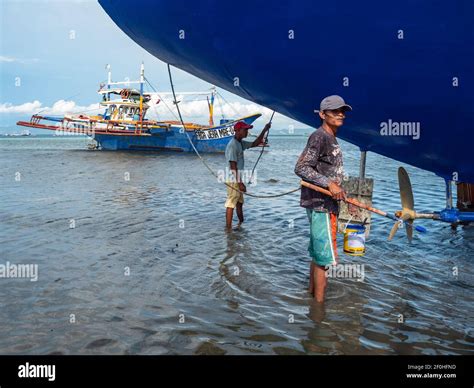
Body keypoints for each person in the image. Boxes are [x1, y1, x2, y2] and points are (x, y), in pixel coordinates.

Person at [294, 95, 352, 303]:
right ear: (322, 114)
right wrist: (329, 184)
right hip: (321, 206)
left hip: (327, 205)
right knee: (324, 258)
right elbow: (301, 168)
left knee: (318, 256)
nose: (340, 114)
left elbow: (329, 172)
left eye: (342, 111)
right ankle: (319, 312)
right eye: (335, 111)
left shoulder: (331, 137)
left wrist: (341, 191)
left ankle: (311, 298)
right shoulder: (320, 136)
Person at [225, 121, 271, 229]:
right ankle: (228, 230)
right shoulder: (232, 145)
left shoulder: (240, 143)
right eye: (245, 130)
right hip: (233, 178)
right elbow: (233, 167)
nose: (247, 132)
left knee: (239, 202)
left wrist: (264, 130)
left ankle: (240, 224)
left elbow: (255, 143)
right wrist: (240, 183)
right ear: (237, 131)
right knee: (231, 203)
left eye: (247, 130)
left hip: (238, 177)